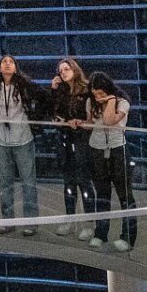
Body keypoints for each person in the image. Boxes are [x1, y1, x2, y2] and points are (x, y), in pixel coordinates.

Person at [0, 56, 43, 233]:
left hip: (23, 138)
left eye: (11, 62)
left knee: (28, 181)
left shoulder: (24, 85)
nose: (7, 64)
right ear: (0, 67)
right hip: (1, 139)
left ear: (16, 67)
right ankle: (8, 220)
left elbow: (43, 98)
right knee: (5, 182)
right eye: (4, 62)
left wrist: (35, 119)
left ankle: (30, 222)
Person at [84, 74, 136, 250]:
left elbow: (109, 121)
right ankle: (101, 233)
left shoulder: (122, 102)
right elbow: (92, 123)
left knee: (124, 194)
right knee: (102, 193)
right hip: (97, 149)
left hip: (117, 149)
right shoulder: (91, 103)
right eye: (94, 94)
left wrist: (111, 100)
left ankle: (128, 237)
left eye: (100, 93)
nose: (97, 97)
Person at [50, 57, 94, 232]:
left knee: (84, 180)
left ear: (74, 70)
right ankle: (70, 219)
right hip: (65, 138)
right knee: (68, 181)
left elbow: (92, 114)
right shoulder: (61, 92)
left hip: (82, 138)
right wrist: (53, 90)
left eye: (66, 69)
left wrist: (81, 121)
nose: (63, 73)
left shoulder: (86, 90)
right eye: (61, 71)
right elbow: (53, 111)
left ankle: (89, 223)